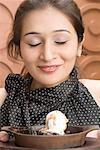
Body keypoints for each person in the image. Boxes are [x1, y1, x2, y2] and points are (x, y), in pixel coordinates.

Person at [0, 0, 100, 142]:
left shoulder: (97, 95)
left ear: (79, 45)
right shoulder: (3, 100)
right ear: (19, 49)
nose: (47, 55)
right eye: (34, 43)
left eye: (60, 41)